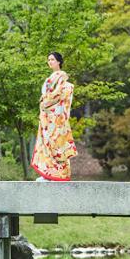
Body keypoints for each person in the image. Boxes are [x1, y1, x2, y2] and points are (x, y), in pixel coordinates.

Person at [31, 52, 78, 181]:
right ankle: (49, 173)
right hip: (47, 117)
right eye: (48, 60)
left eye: (52, 59)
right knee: (47, 144)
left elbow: (55, 96)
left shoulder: (60, 78)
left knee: (55, 145)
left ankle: (56, 174)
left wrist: (45, 103)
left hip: (54, 117)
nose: (50, 62)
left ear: (59, 62)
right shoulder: (51, 78)